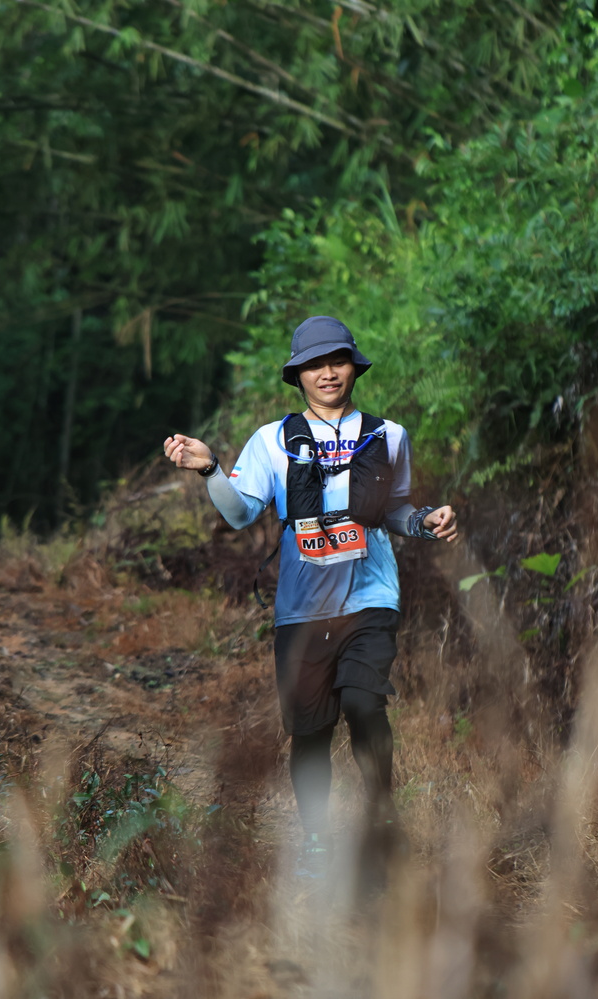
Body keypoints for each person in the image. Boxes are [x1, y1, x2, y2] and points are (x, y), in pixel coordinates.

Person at [164, 316, 457, 878]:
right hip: (301, 610)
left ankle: (381, 824)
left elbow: (395, 510)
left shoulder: (389, 436)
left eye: (338, 361)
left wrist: (426, 520)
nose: (328, 373)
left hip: (371, 597)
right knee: (310, 731)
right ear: (297, 374)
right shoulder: (272, 441)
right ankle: (318, 844)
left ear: (354, 367)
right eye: (315, 364)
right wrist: (211, 469)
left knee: (365, 704)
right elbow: (240, 512)